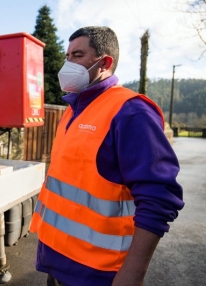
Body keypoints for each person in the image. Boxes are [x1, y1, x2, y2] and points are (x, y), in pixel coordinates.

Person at [30, 26, 184, 286]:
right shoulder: (73, 109)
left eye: (77, 55)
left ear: (105, 62)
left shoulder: (131, 112)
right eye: (67, 56)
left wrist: (132, 274)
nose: (67, 63)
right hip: (56, 263)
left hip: (98, 273)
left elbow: (159, 199)